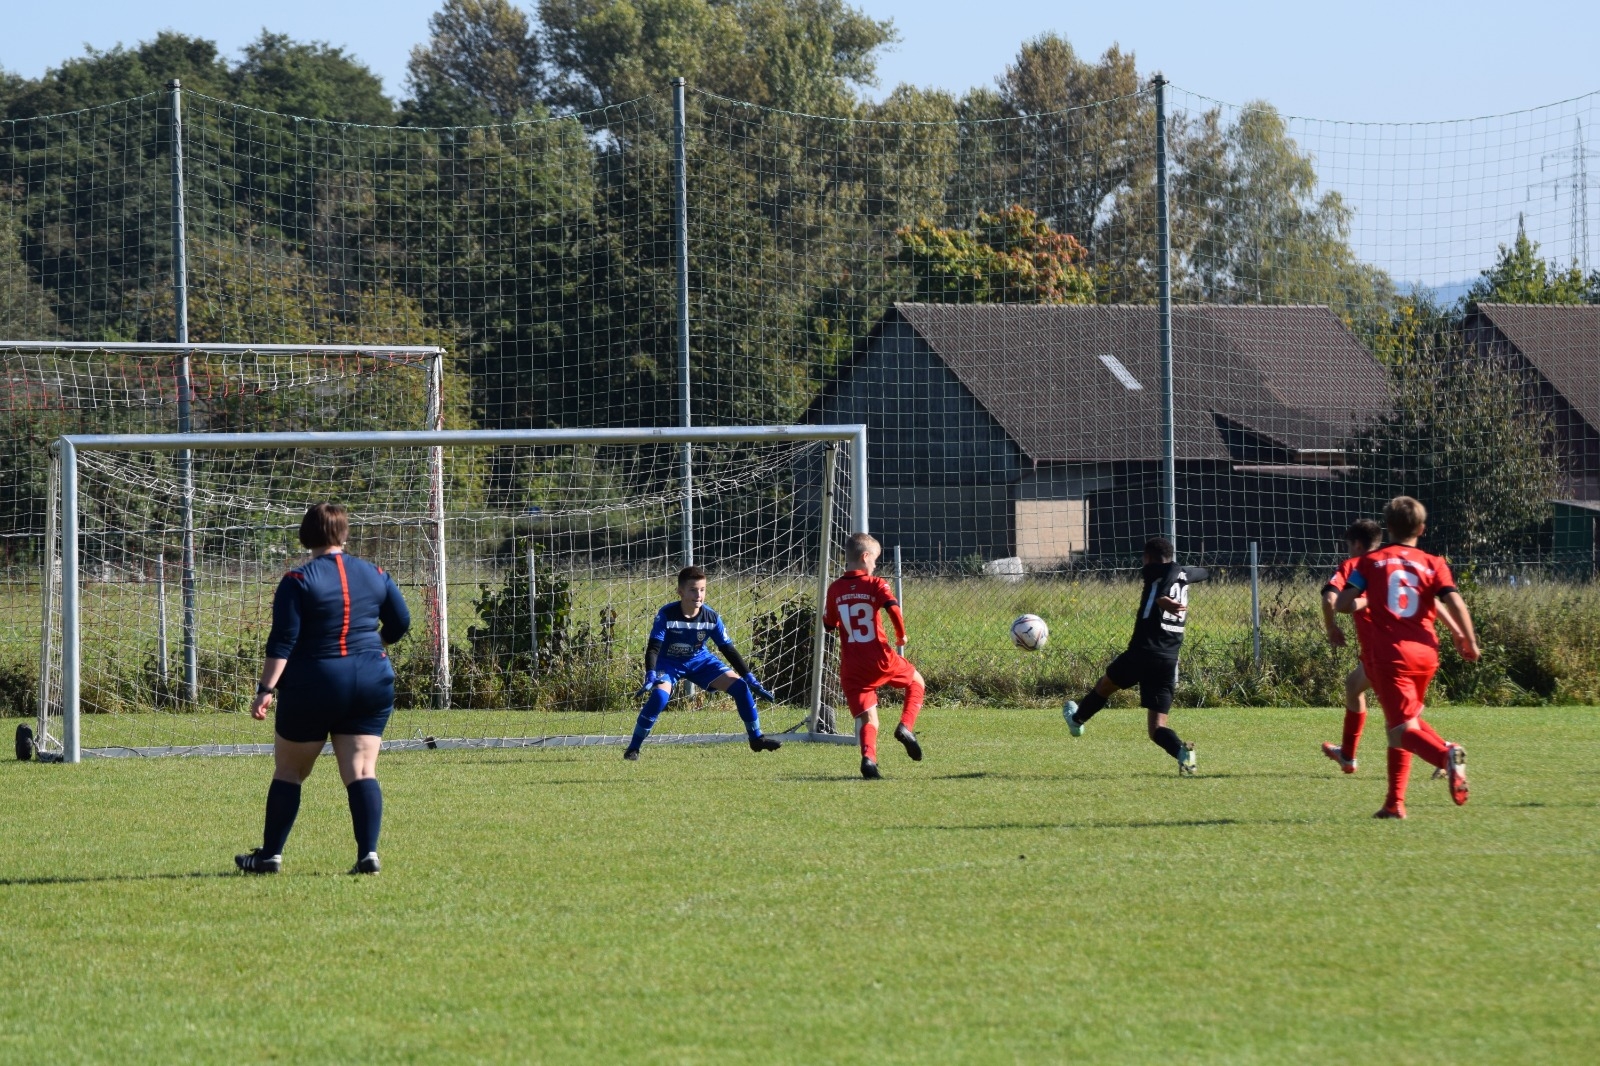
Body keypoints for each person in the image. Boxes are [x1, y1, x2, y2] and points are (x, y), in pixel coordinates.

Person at [235, 503, 410, 875]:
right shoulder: (376, 573)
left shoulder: (298, 580)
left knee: (289, 772)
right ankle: (368, 855)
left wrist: (266, 688)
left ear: (306, 535)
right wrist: (373, 644)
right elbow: (400, 622)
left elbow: (283, 640)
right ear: (344, 534)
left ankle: (269, 856)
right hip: (371, 678)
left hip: (315, 681)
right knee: (362, 770)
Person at [1334, 496, 1480, 819]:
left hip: (1391, 655)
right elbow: (1454, 601)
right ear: (1422, 529)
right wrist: (1465, 637)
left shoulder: (1369, 564)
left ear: (1387, 528)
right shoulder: (1433, 563)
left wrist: (1365, 598)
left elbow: (1343, 603)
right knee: (1400, 725)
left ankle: (1446, 755)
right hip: (1427, 653)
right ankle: (1394, 804)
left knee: (1401, 730)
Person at [1063, 537, 1208, 775]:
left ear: (1148, 558)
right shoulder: (1180, 574)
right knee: (1157, 728)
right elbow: (1202, 572)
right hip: (1168, 659)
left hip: (1142, 652)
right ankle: (1183, 752)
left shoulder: (1155, 570)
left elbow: (1169, 570)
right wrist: (1187, 572)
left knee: (1105, 685)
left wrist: (1162, 596)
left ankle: (1076, 721)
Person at [624, 565, 781, 760]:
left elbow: (727, 649)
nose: (698, 595)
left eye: (702, 589)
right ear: (680, 592)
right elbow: (653, 648)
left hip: (700, 660)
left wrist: (749, 676)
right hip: (669, 663)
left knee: (741, 687)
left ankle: (757, 738)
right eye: (693, 590)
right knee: (659, 698)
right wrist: (650, 673)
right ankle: (633, 749)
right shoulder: (666, 614)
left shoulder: (712, 617)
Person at [822, 533, 927, 780]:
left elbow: (828, 624)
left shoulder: (835, 588)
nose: (876, 566)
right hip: (879, 657)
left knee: (869, 717)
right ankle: (906, 727)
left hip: (852, 666)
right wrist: (901, 635)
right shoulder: (876, 583)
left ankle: (868, 759)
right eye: (875, 560)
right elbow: (893, 608)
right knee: (916, 682)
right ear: (865, 557)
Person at [1319, 518, 1383, 773]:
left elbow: (1329, 599)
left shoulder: (1354, 565)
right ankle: (1347, 754)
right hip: (1402, 641)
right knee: (1354, 685)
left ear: (1356, 544)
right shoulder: (1388, 564)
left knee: (1401, 715)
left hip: (1382, 649)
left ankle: (1445, 752)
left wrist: (1331, 627)